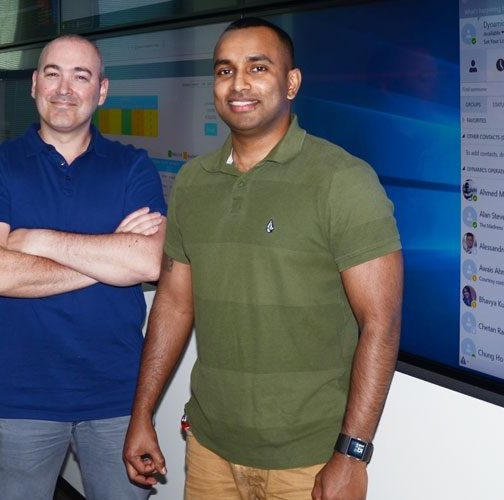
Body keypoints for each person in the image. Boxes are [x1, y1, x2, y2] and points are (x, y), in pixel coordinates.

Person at [123, 17, 403, 500]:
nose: (239, 85)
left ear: (291, 83)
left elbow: (381, 322)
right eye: (225, 70)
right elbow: (172, 303)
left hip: (309, 463)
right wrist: (142, 413)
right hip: (210, 450)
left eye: (258, 67)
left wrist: (351, 454)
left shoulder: (343, 180)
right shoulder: (193, 182)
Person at [0, 34, 166, 500]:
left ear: (102, 90)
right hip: (21, 395)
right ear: (34, 85)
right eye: (52, 73)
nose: (64, 88)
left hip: (118, 398)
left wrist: (37, 240)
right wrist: (113, 254)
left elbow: (149, 261)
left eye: (81, 76)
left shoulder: (132, 166)